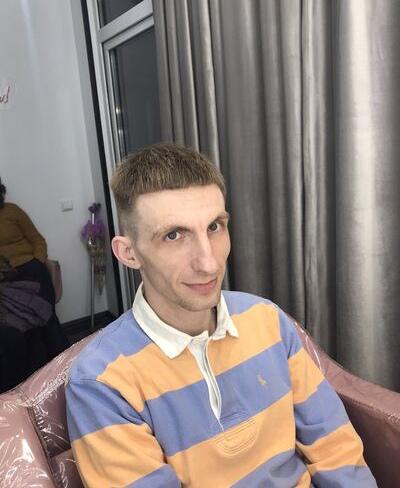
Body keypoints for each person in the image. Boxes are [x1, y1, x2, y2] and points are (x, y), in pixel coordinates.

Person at [66, 143, 377, 487]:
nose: (209, 263)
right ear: (129, 253)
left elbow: (335, 447)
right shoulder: (102, 382)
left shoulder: (266, 319)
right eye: (173, 235)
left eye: (214, 226)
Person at [0, 177, 69, 390]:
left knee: (47, 318)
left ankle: (68, 370)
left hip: (30, 270)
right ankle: (34, 385)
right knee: (20, 329)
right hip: (4, 279)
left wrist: (38, 262)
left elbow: (37, 239)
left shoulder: (12, 211)